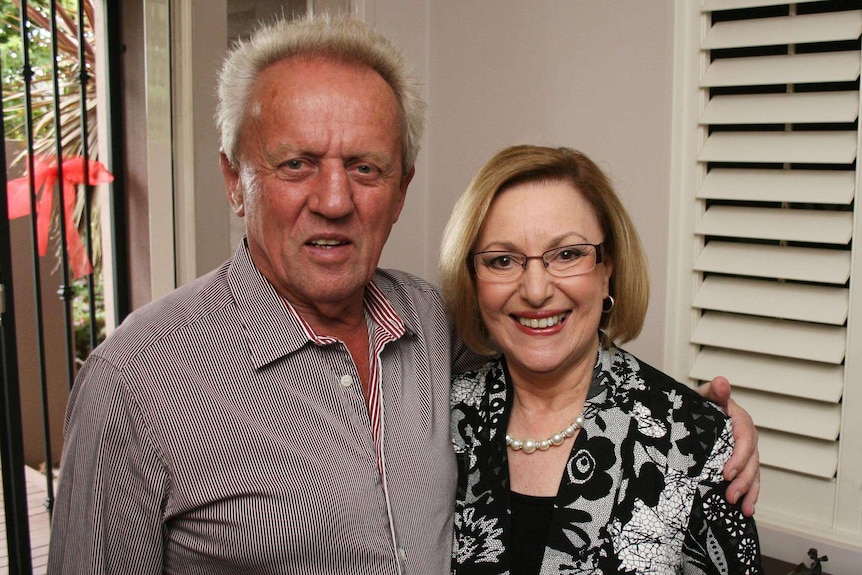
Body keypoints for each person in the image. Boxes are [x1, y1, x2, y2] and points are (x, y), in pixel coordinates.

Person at [47, 16, 758, 575]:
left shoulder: (429, 326)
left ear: (401, 190)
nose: (334, 199)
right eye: (296, 163)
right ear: (236, 179)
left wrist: (703, 425)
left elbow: (556, 357)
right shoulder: (135, 385)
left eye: (365, 166)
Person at [440, 145, 763, 574]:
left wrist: (703, 421)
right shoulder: (436, 416)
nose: (536, 290)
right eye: (502, 260)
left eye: (568, 254)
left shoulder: (693, 439)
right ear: (473, 281)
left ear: (607, 267)